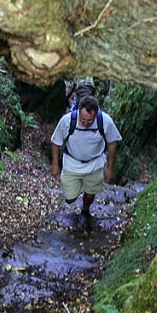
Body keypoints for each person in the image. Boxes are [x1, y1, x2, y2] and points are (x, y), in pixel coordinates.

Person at [50, 94, 122, 225]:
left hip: (95, 163)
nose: (86, 123)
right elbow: (56, 142)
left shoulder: (105, 121)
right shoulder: (67, 121)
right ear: (78, 111)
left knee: (90, 194)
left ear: (96, 114)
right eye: (83, 119)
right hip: (71, 162)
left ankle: (85, 209)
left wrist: (110, 169)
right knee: (70, 198)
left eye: (90, 120)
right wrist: (55, 164)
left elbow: (112, 143)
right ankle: (75, 191)